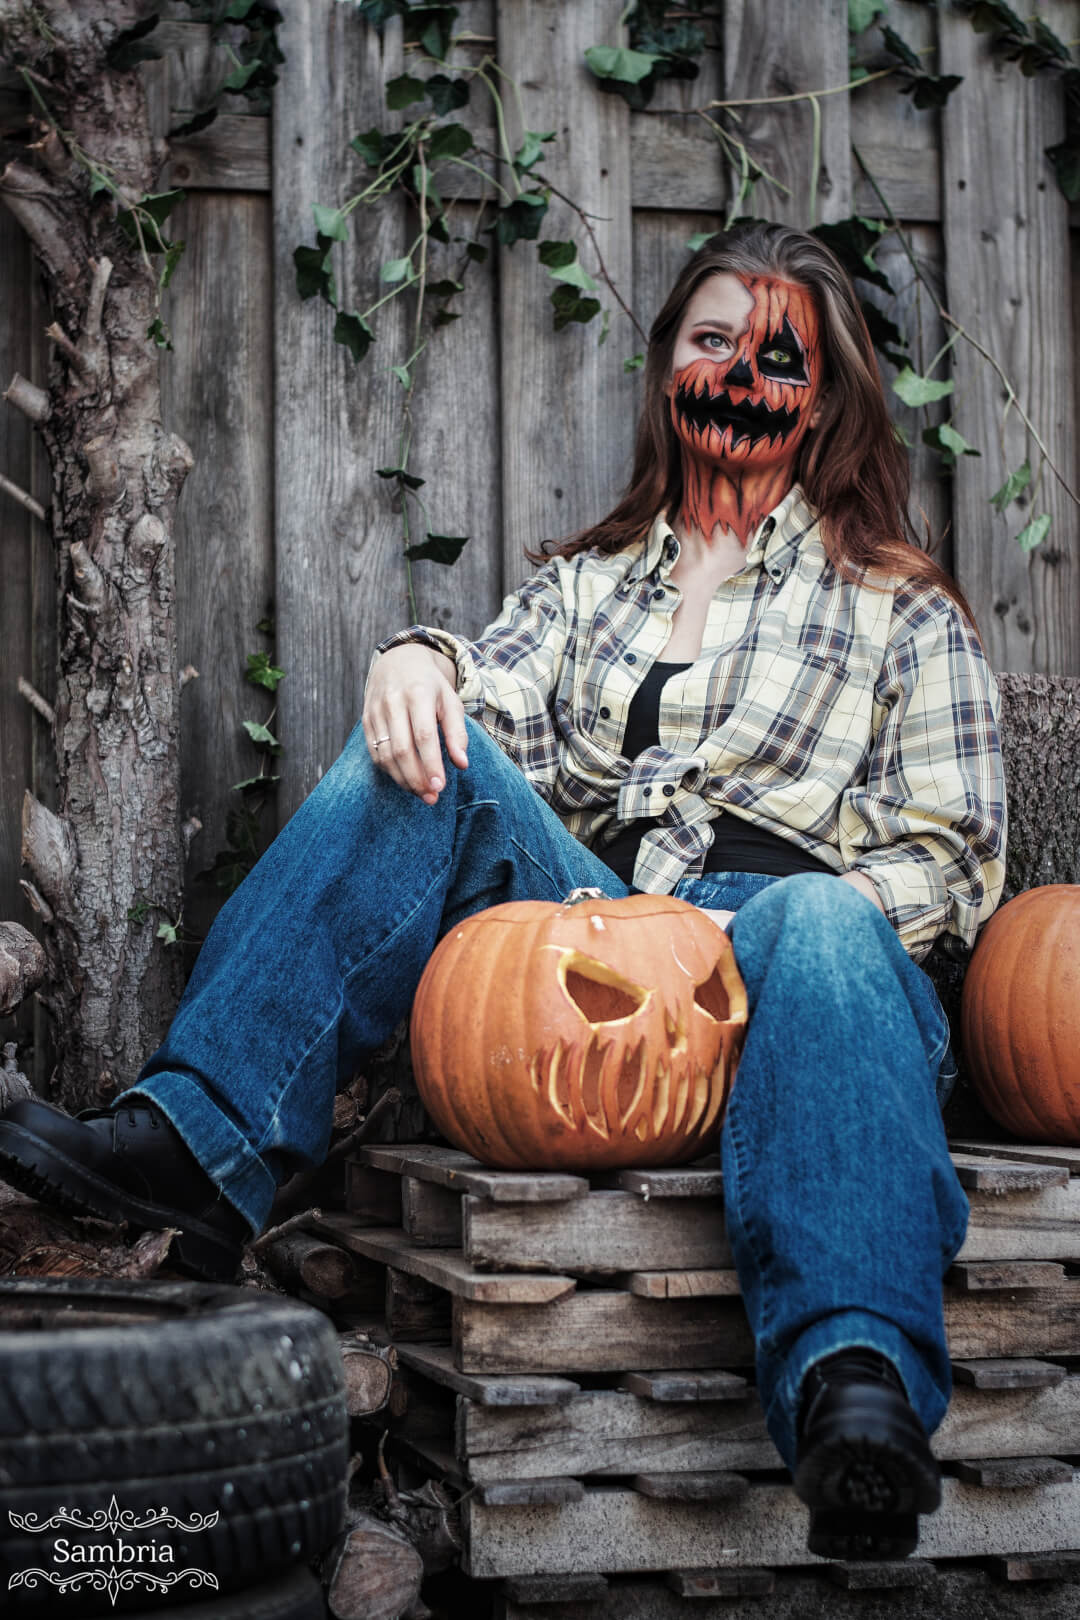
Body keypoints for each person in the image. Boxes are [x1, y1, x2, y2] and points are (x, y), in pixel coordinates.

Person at [0, 221, 1006, 1562]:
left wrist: (720, 936)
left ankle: (854, 1394)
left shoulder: (899, 608)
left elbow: (950, 860)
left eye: (780, 353)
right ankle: (200, 1140)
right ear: (670, 371)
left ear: (820, 392)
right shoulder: (590, 588)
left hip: (812, 971)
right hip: (609, 963)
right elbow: (486, 710)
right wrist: (417, 665)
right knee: (423, 751)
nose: (741, 370)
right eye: (712, 338)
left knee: (823, 920)